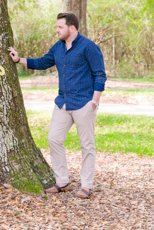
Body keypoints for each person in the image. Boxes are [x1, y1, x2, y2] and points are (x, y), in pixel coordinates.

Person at [8, 12, 106, 199]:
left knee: (87, 145)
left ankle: (86, 186)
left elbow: (100, 75)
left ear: (71, 28)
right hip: (63, 102)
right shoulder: (58, 48)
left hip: (84, 103)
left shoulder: (89, 47)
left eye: (60, 27)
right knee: (53, 138)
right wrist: (18, 60)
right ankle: (63, 181)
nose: (57, 30)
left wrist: (94, 101)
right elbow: (43, 62)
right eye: (57, 27)